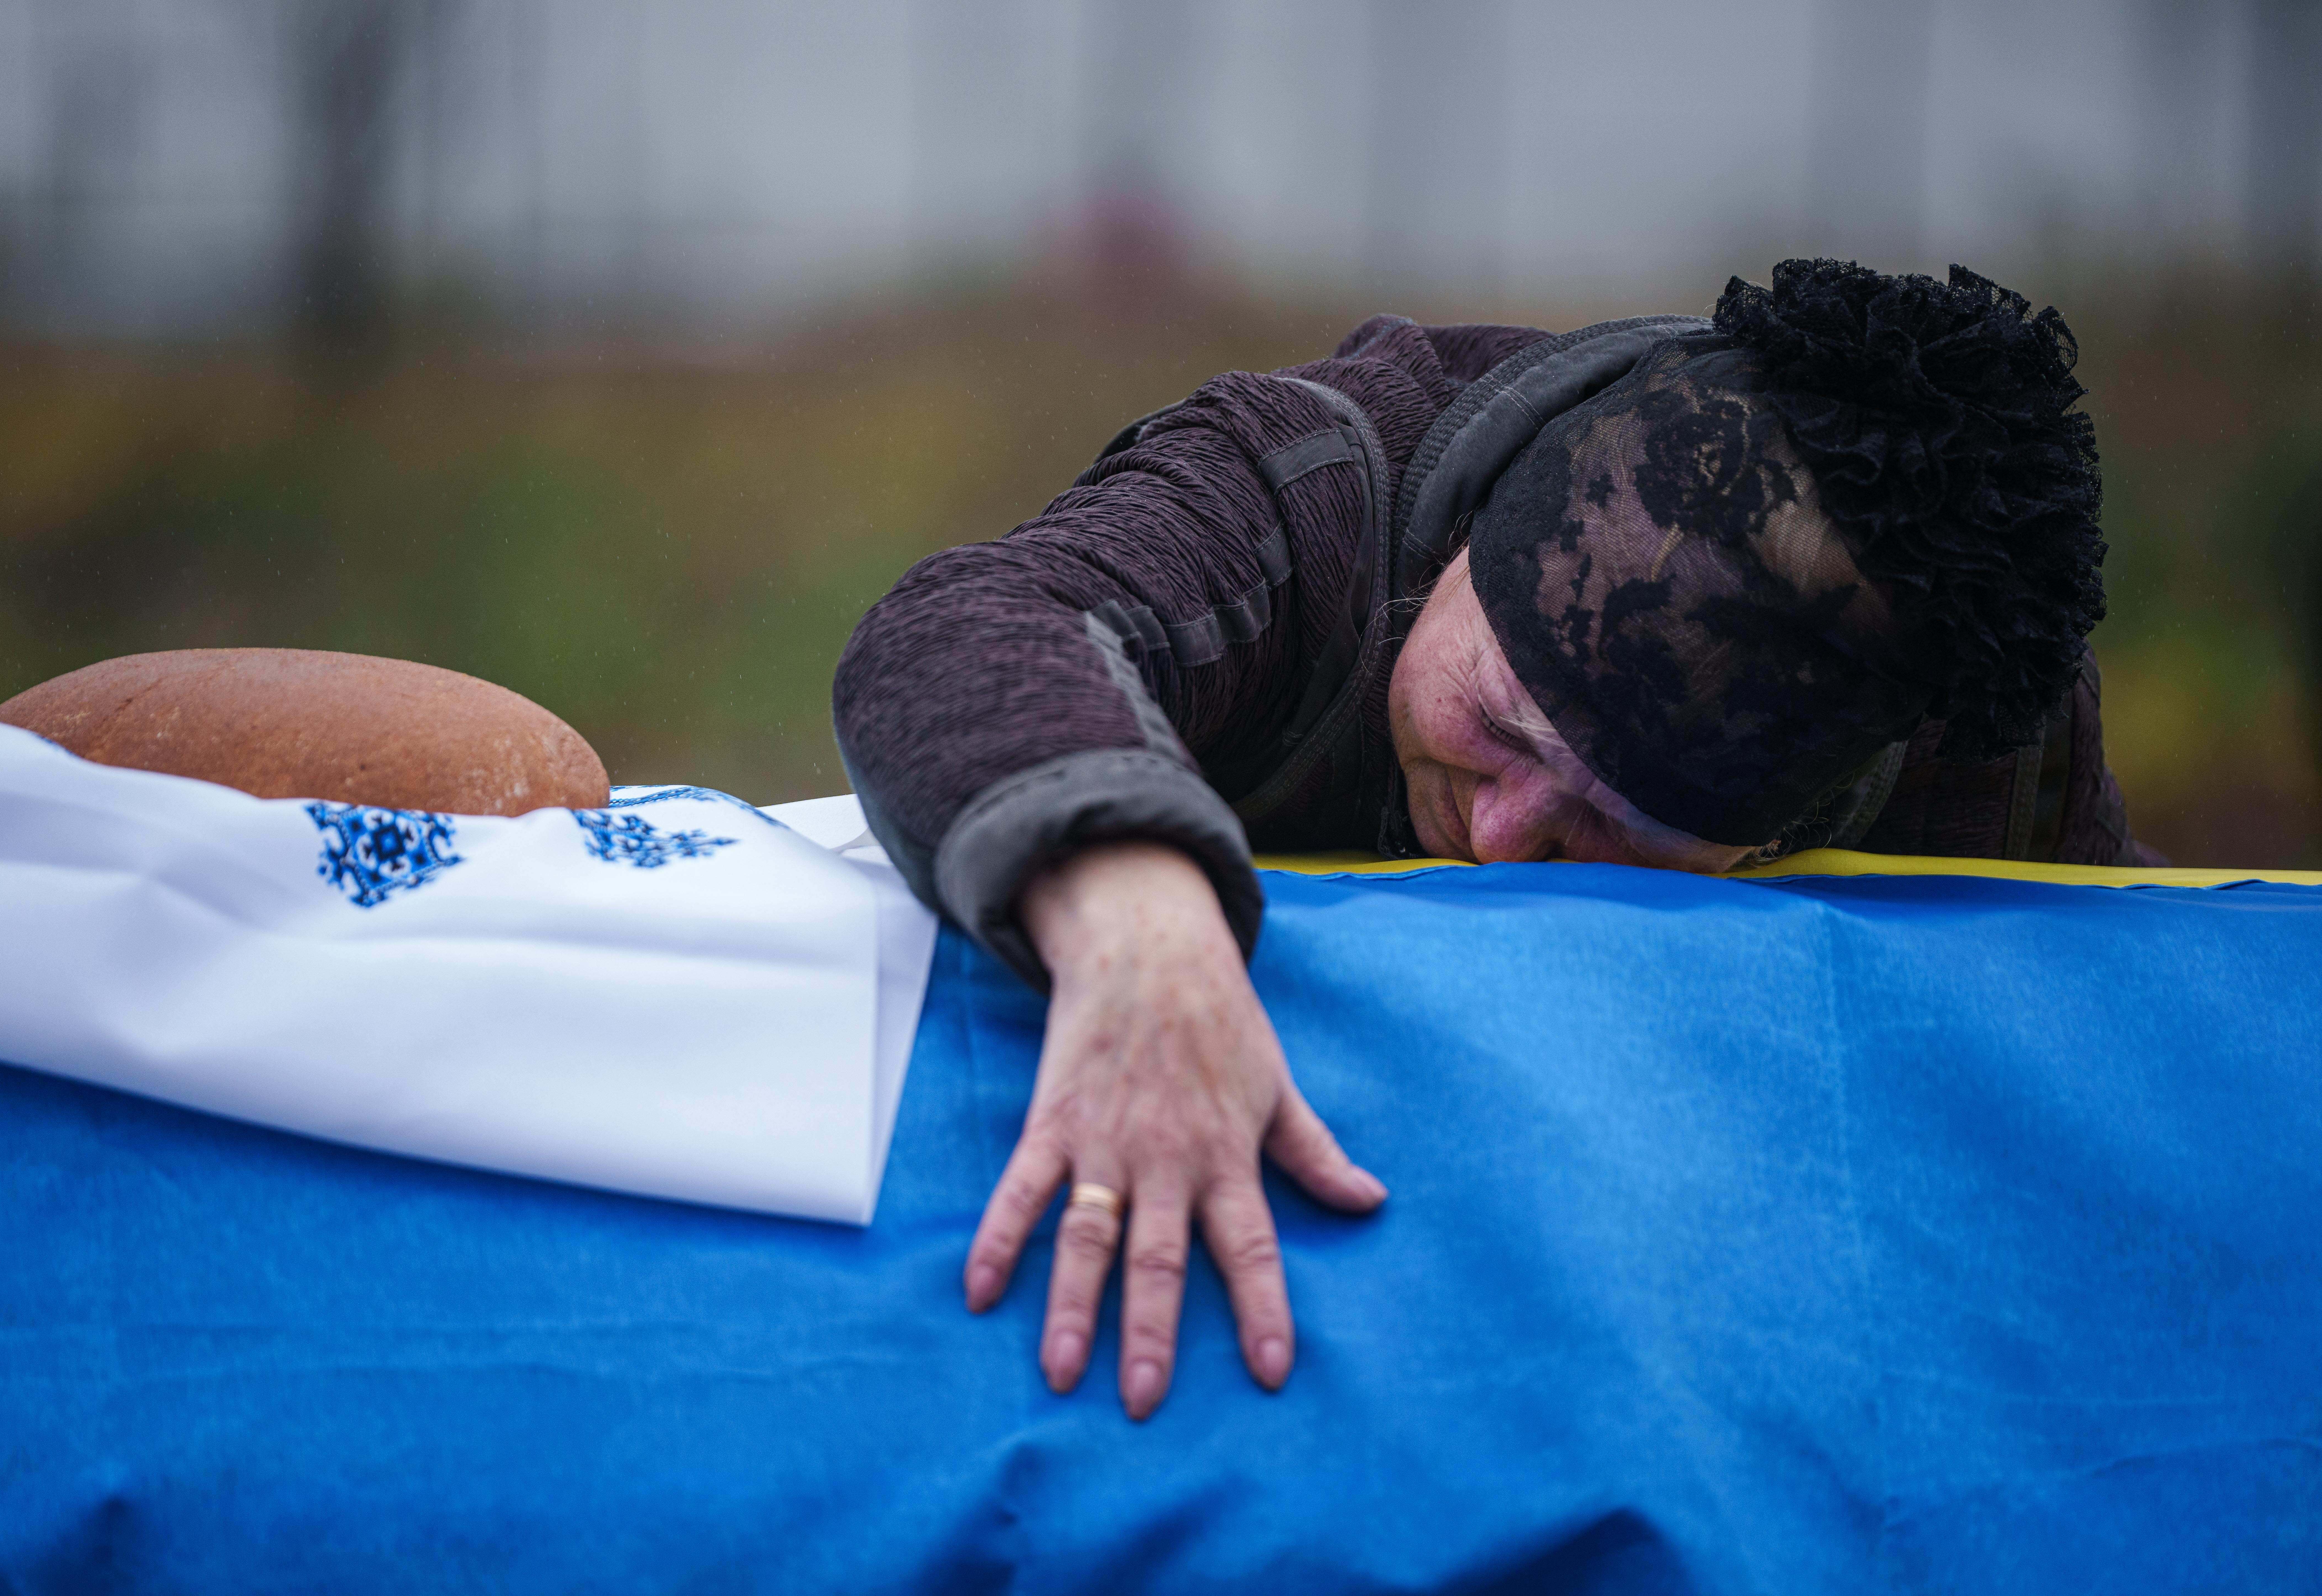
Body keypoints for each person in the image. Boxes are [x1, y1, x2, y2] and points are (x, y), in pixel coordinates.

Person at [831, 259, 2150, 1420]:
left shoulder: (1976, 719)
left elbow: (2098, 1097)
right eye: (1504, 727)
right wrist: (1137, 913)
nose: (1510, 838)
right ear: (1464, 541)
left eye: (1623, 823)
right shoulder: (1301, 487)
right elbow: (973, 623)